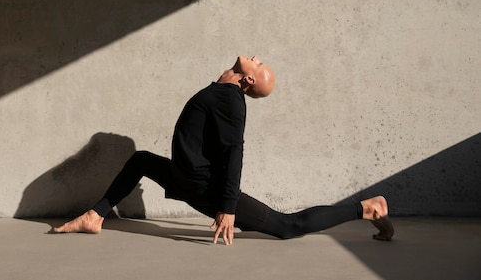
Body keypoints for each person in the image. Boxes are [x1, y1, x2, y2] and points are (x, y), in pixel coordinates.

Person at [53, 56, 394, 245]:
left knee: (289, 226)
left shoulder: (231, 101)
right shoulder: (220, 89)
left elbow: (235, 153)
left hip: (206, 188)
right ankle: (94, 216)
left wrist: (228, 207)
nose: (257, 58)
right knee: (141, 160)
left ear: (248, 81)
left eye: (259, 66)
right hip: (185, 175)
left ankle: (366, 209)